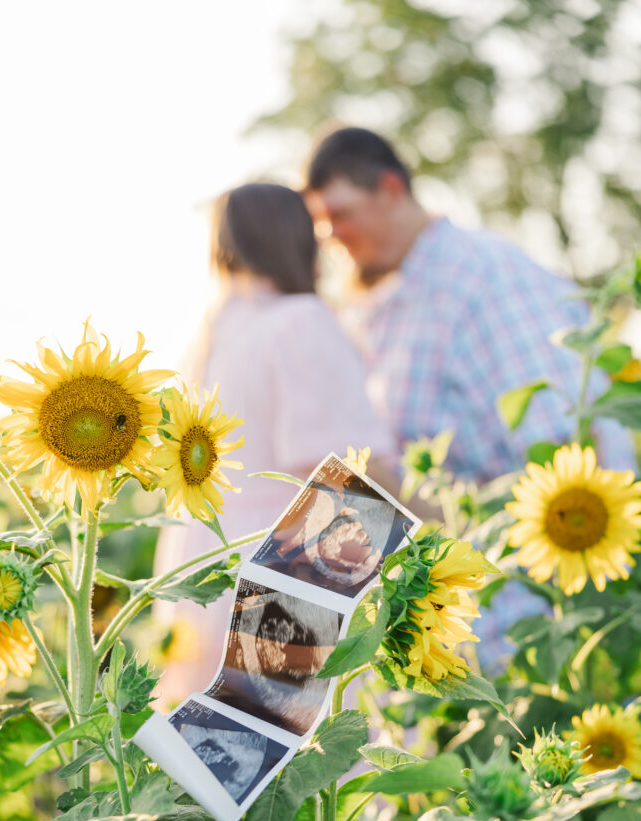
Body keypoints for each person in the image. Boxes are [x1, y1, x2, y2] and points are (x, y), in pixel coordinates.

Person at [304, 127, 637, 666]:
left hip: (540, 627)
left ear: (391, 189)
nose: (329, 235)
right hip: (467, 616)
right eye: (319, 222)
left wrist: (416, 507)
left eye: (339, 214)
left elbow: (567, 453)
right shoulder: (399, 294)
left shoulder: (482, 279)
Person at [153, 182, 397, 704]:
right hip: (288, 580)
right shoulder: (301, 321)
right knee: (314, 771)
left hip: (199, 571)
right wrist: (444, 530)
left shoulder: (215, 333)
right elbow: (354, 480)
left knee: (215, 770)